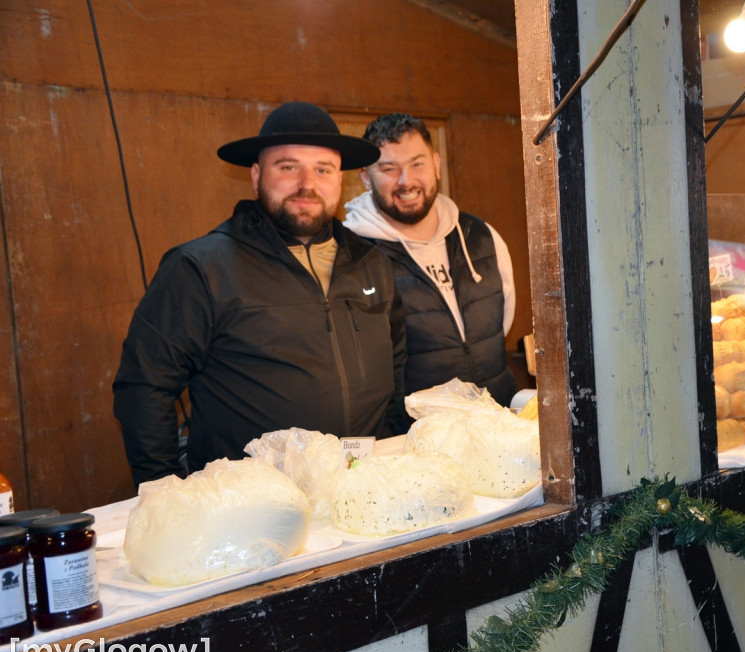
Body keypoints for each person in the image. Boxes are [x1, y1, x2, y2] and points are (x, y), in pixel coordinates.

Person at [114, 101, 407, 487]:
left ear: (340, 180)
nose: (307, 183)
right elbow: (143, 388)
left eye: (323, 169)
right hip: (250, 508)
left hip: (360, 489)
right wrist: (164, 491)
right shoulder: (201, 269)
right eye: (288, 167)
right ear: (256, 177)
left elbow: (396, 367)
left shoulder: (373, 263)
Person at [343, 113, 518, 409]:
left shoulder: (482, 236)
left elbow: (504, 321)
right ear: (365, 176)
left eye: (417, 164)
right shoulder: (352, 255)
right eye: (388, 168)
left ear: (436, 165)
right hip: (414, 442)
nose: (406, 180)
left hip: (496, 426)